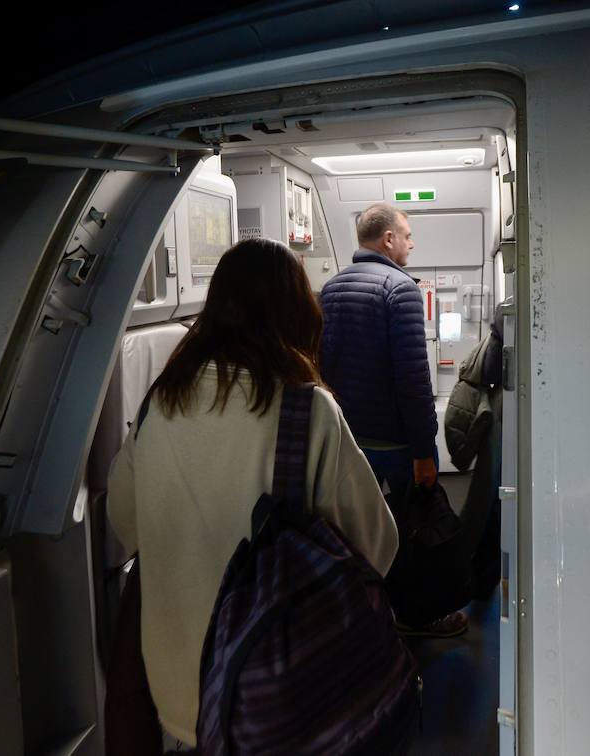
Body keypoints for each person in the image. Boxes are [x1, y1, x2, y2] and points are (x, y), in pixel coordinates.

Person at [107, 238, 398, 749]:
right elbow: (376, 546)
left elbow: (125, 521)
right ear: (296, 313)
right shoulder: (307, 412)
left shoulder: (160, 402)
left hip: (178, 694)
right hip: (277, 695)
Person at [319, 202, 469, 638]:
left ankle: (361, 614)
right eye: (407, 235)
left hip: (349, 439)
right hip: (396, 444)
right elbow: (412, 378)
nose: (411, 242)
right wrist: (425, 450)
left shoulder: (331, 288)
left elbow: (326, 365)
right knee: (411, 533)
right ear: (387, 240)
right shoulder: (400, 289)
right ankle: (416, 616)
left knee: (357, 530)